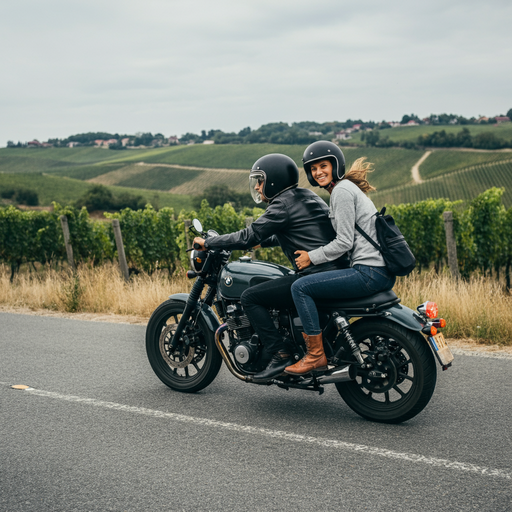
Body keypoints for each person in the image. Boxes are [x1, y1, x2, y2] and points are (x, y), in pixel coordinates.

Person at [193, 153, 348, 380]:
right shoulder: (305, 196)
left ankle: (280, 353)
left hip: (316, 274)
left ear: (273, 180)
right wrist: (261, 242)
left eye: (260, 180)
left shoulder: (282, 204)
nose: (256, 187)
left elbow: (248, 235)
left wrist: (208, 242)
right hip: (334, 272)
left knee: (250, 297)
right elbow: (293, 233)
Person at [285, 141, 396, 376]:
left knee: (300, 288)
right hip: (377, 270)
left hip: (369, 272)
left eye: (323, 166)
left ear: (335, 165)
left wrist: (311, 258)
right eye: (313, 169)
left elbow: (344, 242)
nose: (318, 172)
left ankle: (315, 355)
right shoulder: (344, 189)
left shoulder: (342, 192)